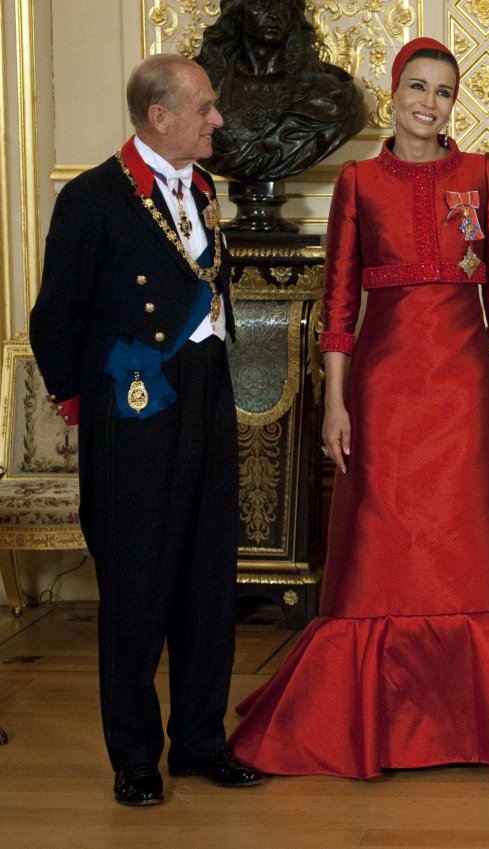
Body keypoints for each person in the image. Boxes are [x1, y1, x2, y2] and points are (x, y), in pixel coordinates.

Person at [226, 38, 489, 778]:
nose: (428, 103)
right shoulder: (357, 182)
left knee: (469, 545)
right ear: (394, 92)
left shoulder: (482, 174)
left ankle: (482, 724)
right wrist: (336, 405)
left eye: (443, 92)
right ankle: (373, 725)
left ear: (452, 106)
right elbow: (339, 302)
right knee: (386, 547)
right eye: (417, 87)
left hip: (466, 385)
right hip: (383, 385)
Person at [29, 54, 262, 806]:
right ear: (160, 116)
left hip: (205, 394)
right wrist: (85, 404)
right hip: (134, 404)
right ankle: (135, 755)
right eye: (205, 108)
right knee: (136, 584)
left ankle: (199, 739)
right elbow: (54, 318)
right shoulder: (94, 199)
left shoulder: (201, 188)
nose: (217, 120)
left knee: (206, 574)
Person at [195, 0, 366, 181]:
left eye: (282, 4)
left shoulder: (330, 94)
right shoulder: (202, 83)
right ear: (238, 13)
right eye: (260, 4)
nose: (273, 14)